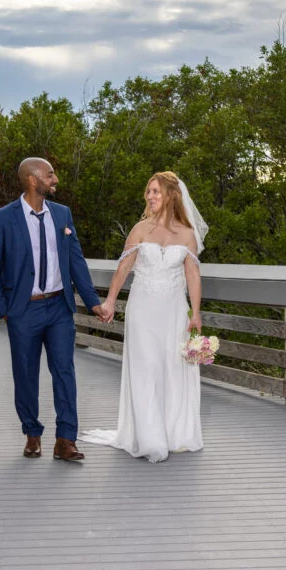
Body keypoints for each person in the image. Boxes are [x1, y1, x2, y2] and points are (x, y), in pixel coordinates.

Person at [0, 157, 107, 461]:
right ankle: (32, 433)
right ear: (33, 180)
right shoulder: (2, 219)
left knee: (64, 371)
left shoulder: (62, 215)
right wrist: (5, 310)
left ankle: (66, 439)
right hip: (24, 310)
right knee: (25, 375)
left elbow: (76, 261)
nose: (56, 180)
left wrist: (93, 302)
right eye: (50, 175)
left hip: (59, 307)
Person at [80, 171, 207, 463]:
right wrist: (110, 301)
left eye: (156, 191)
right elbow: (124, 268)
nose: (150, 196)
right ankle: (149, 438)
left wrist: (195, 314)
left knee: (172, 369)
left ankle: (174, 433)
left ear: (171, 196)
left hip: (174, 310)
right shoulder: (139, 229)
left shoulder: (187, 234)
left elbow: (193, 275)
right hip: (142, 309)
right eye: (148, 191)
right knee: (145, 367)